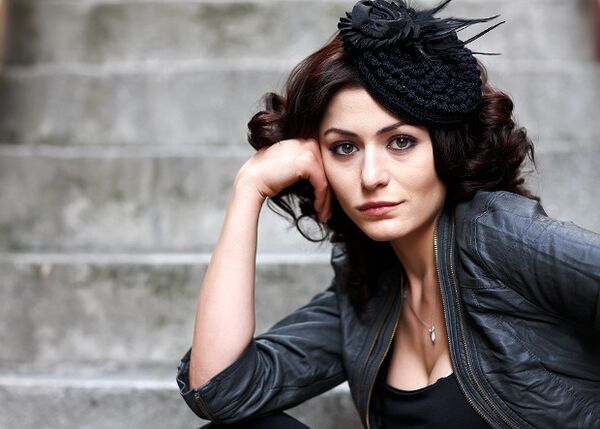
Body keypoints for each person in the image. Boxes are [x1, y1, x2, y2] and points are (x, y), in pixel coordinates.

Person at [176, 0, 600, 428]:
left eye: (400, 142)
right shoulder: (370, 288)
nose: (371, 176)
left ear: (446, 147)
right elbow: (221, 392)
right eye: (344, 148)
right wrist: (249, 188)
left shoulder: (500, 237)